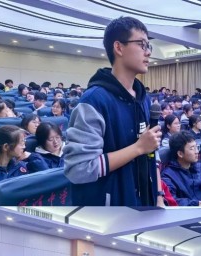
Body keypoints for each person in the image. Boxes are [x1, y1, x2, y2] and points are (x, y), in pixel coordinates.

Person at [64, 17, 163, 206]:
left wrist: (158, 196)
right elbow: (79, 169)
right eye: (141, 44)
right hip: (109, 212)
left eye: (149, 46)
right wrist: (138, 148)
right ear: (118, 47)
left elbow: (151, 151)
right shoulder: (93, 101)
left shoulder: (143, 99)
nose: (148, 52)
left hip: (145, 204)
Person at [160, 131, 201, 206]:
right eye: (192, 148)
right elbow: (172, 200)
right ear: (180, 154)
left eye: (197, 147)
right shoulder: (168, 176)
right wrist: (197, 204)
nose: (197, 151)